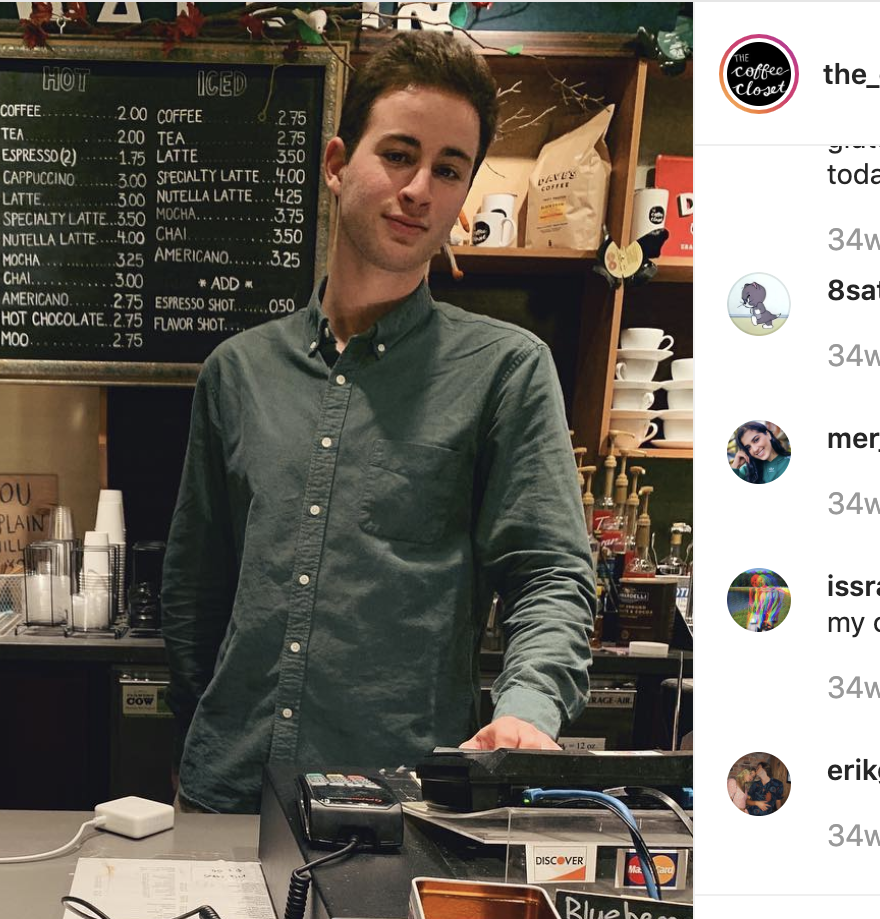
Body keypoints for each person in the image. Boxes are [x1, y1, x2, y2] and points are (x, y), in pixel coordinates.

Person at [163, 34, 596, 813]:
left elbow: (550, 573)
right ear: (337, 164)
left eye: (449, 169)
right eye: (399, 154)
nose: (420, 188)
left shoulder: (505, 371)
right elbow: (197, 589)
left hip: (405, 806)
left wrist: (527, 709)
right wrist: (198, 729)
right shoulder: (238, 372)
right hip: (229, 791)